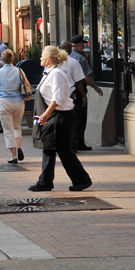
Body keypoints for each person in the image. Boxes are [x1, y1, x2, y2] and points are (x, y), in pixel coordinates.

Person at [30, 45, 92, 192]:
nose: (40, 58)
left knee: (57, 149)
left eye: (42, 56)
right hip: (56, 116)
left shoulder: (56, 74)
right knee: (52, 149)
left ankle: (78, 180)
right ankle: (50, 181)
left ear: (49, 59)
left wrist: (45, 115)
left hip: (60, 117)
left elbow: (57, 98)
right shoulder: (49, 73)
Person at [66, 36, 104, 150]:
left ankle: (72, 142)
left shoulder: (65, 59)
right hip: (78, 91)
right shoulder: (80, 59)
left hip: (68, 92)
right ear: (78, 45)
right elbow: (85, 78)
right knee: (80, 118)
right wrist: (94, 88)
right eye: (82, 45)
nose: (83, 47)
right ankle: (78, 142)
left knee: (71, 118)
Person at [0, 50, 27, 164]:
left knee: (8, 130)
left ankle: (14, 156)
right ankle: (19, 147)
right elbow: (26, 83)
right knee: (17, 127)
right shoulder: (19, 70)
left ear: (2, 60)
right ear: (12, 59)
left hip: (4, 102)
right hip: (19, 102)